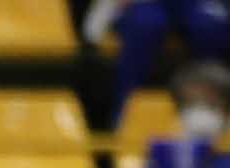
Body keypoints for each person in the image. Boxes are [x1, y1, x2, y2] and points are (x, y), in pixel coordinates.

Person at [88, 0, 230, 108]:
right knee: (146, 24)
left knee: (210, 26)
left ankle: (212, 107)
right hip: (143, 4)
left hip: (198, 5)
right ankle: (127, 109)